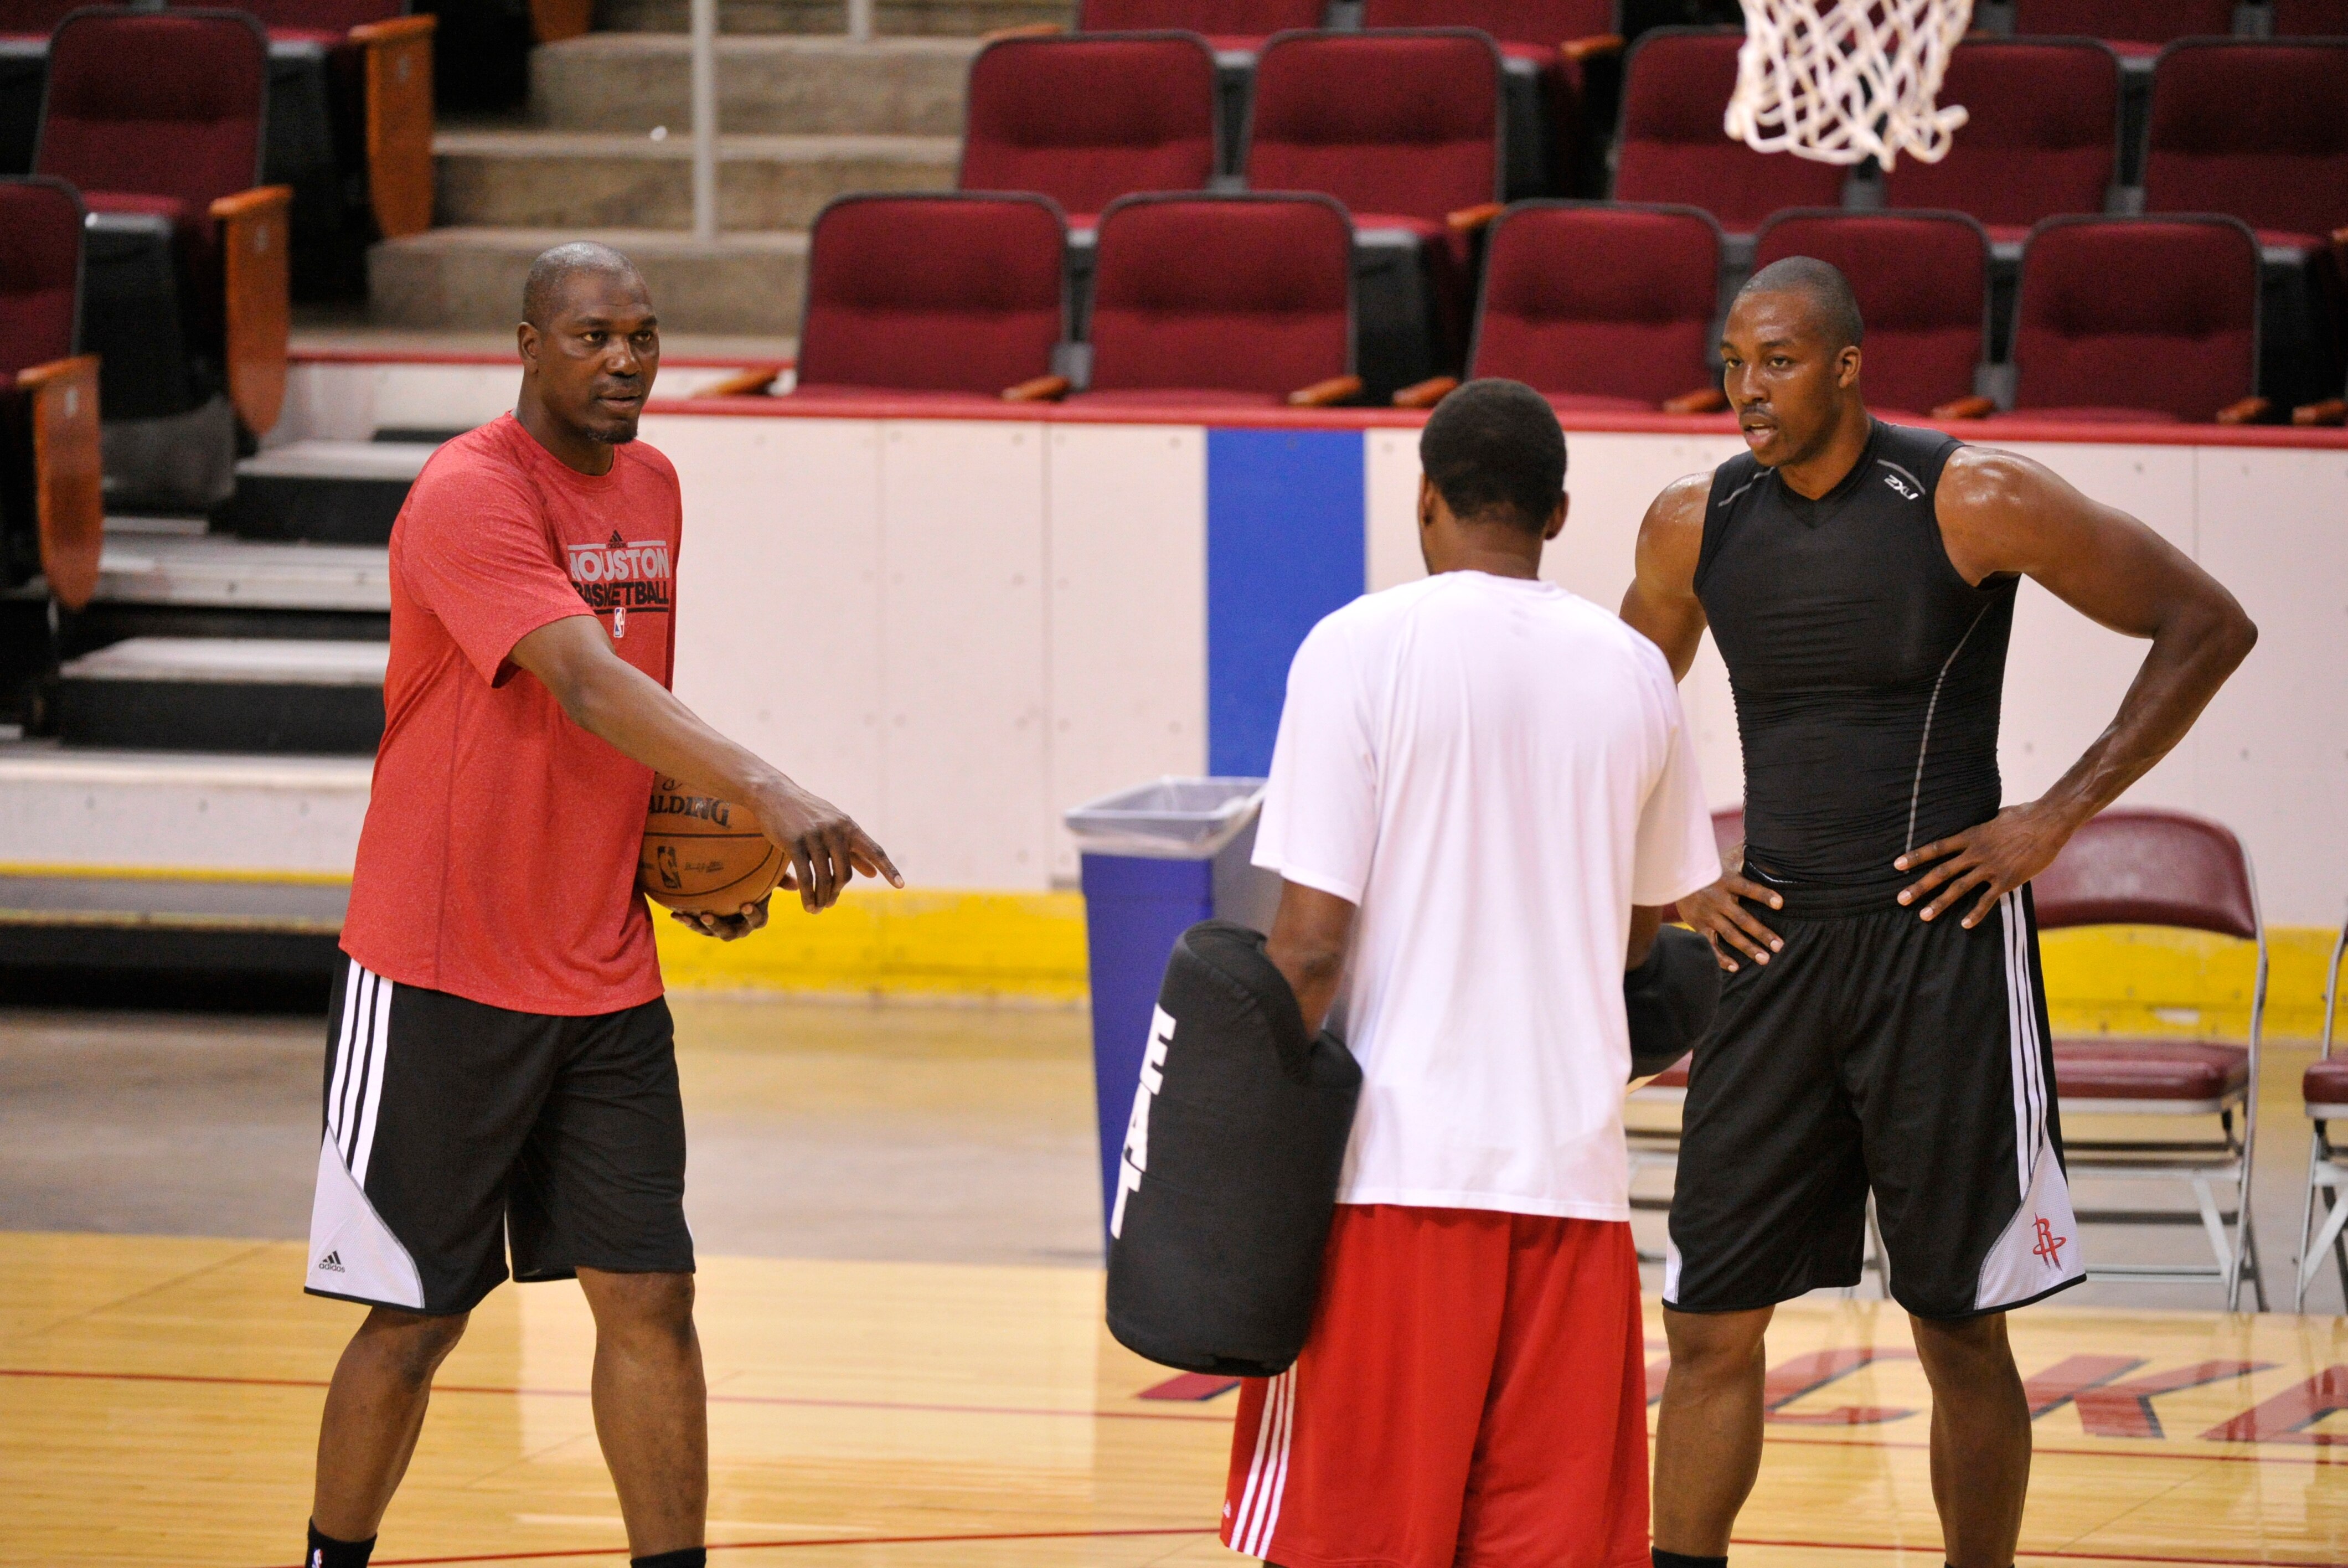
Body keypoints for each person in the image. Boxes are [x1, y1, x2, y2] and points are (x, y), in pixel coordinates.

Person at [1622, 258, 2257, 1568]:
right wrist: (1673, 872)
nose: (1747, 387)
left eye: (1780, 360)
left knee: (1960, 1328)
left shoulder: (1974, 495)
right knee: (1708, 1326)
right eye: (1735, 360)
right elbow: (1610, 706)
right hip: (1773, 956)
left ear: (1849, 366)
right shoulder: (1692, 522)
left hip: (1943, 956)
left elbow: (2206, 624)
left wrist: (2055, 817)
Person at [300, 243, 899, 1568]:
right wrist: (768, 787)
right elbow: (581, 681)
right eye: (590, 336)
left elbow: (620, 724)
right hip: (442, 967)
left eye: (643, 333)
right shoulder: (467, 494)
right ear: (525, 345)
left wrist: (668, 864)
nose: (625, 359)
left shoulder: (655, 483)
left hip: (603, 972)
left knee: (654, 1297)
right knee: (416, 1318)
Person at [1223, 379, 1723, 1568]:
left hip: (1388, 1185)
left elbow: (1305, 945)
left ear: (1425, 500)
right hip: (1573, 1190)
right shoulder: (1635, 673)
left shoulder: (1355, 647)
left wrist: (1243, 1154)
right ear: (1558, 513)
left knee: (1354, 1546)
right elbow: (1643, 946)